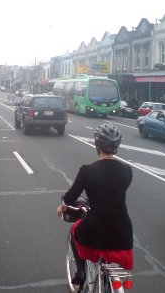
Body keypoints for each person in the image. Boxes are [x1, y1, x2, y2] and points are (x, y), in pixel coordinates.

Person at [56, 123, 133, 288]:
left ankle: (81, 273)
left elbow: (70, 198)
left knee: (75, 230)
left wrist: (62, 207)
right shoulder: (127, 170)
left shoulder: (87, 171)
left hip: (95, 228)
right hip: (123, 230)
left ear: (97, 145)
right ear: (117, 146)